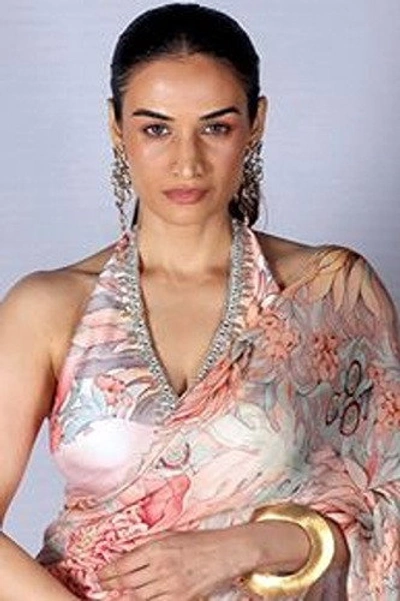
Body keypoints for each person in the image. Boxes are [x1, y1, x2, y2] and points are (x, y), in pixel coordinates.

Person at [0, 3, 398, 600]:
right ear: (116, 127)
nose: (186, 162)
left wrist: (249, 546)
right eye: (155, 129)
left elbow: (386, 507)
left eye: (216, 128)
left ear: (256, 124)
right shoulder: (50, 307)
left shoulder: (329, 291)